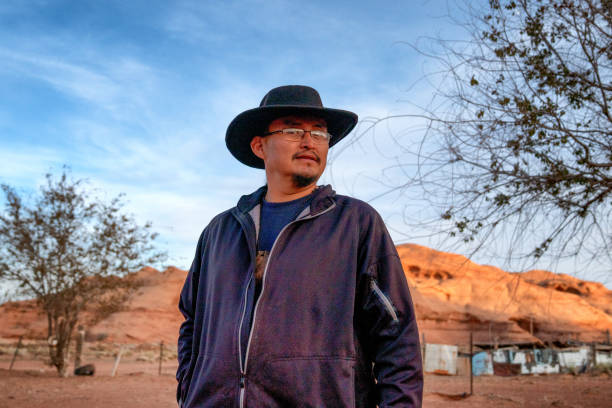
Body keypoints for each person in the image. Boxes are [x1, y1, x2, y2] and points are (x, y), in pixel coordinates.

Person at [176, 85, 423, 407]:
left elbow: (396, 333)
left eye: (320, 133)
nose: (309, 141)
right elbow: (192, 323)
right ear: (259, 145)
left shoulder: (355, 223)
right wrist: (188, 388)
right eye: (293, 130)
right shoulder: (219, 232)